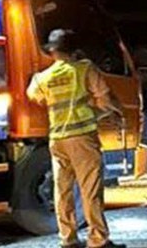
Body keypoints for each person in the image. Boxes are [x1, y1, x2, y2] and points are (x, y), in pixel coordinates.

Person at [27, 29, 125, 248]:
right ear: (74, 50)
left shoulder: (42, 78)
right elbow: (105, 98)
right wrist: (115, 112)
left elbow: (33, 95)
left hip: (57, 139)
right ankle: (98, 240)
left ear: (52, 51)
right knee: (90, 190)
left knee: (62, 191)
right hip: (82, 138)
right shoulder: (84, 69)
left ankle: (68, 239)